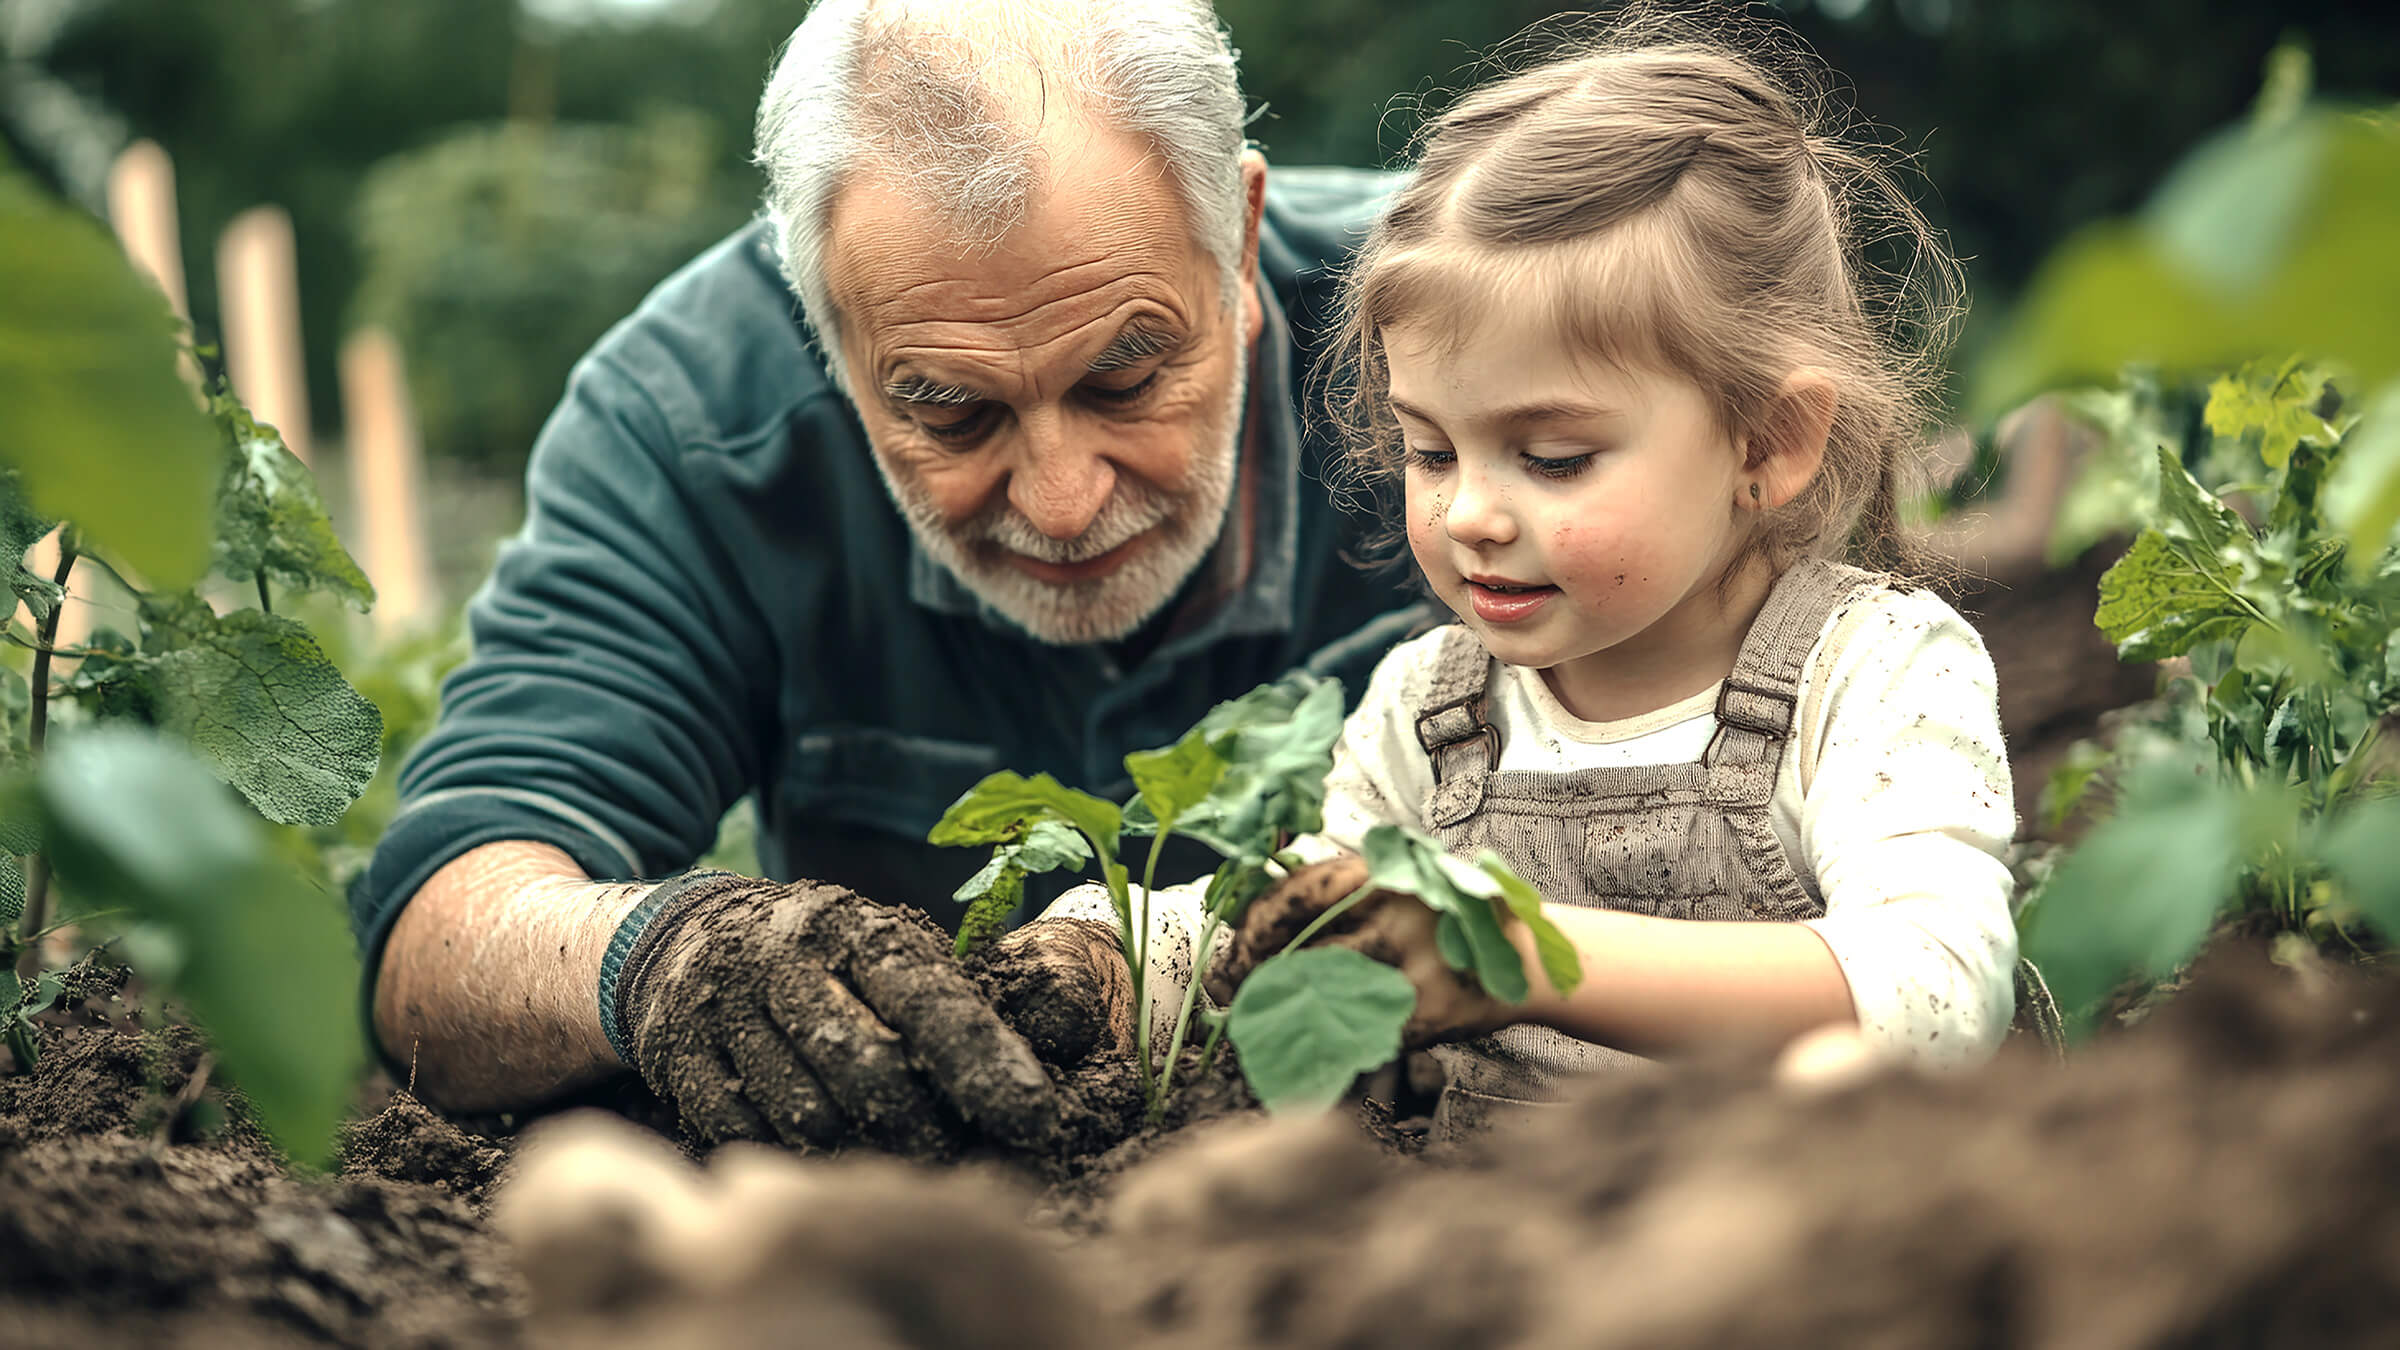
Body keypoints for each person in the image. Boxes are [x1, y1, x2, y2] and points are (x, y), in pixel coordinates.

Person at [355, 0, 1430, 1149]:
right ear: (826, 334)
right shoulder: (692, 425)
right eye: (951, 412)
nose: (1061, 502)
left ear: (1240, 235)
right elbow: (444, 919)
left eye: (1125, 381)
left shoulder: (1478, 338)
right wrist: (667, 953)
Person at [1142, 21, 2022, 1138]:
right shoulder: (1427, 711)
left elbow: (1935, 1008)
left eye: (1553, 459)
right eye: (1430, 450)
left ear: (1768, 443)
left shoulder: (1872, 673)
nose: (1470, 513)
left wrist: (1512, 955)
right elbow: (1302, 933)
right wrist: (1104, 952)